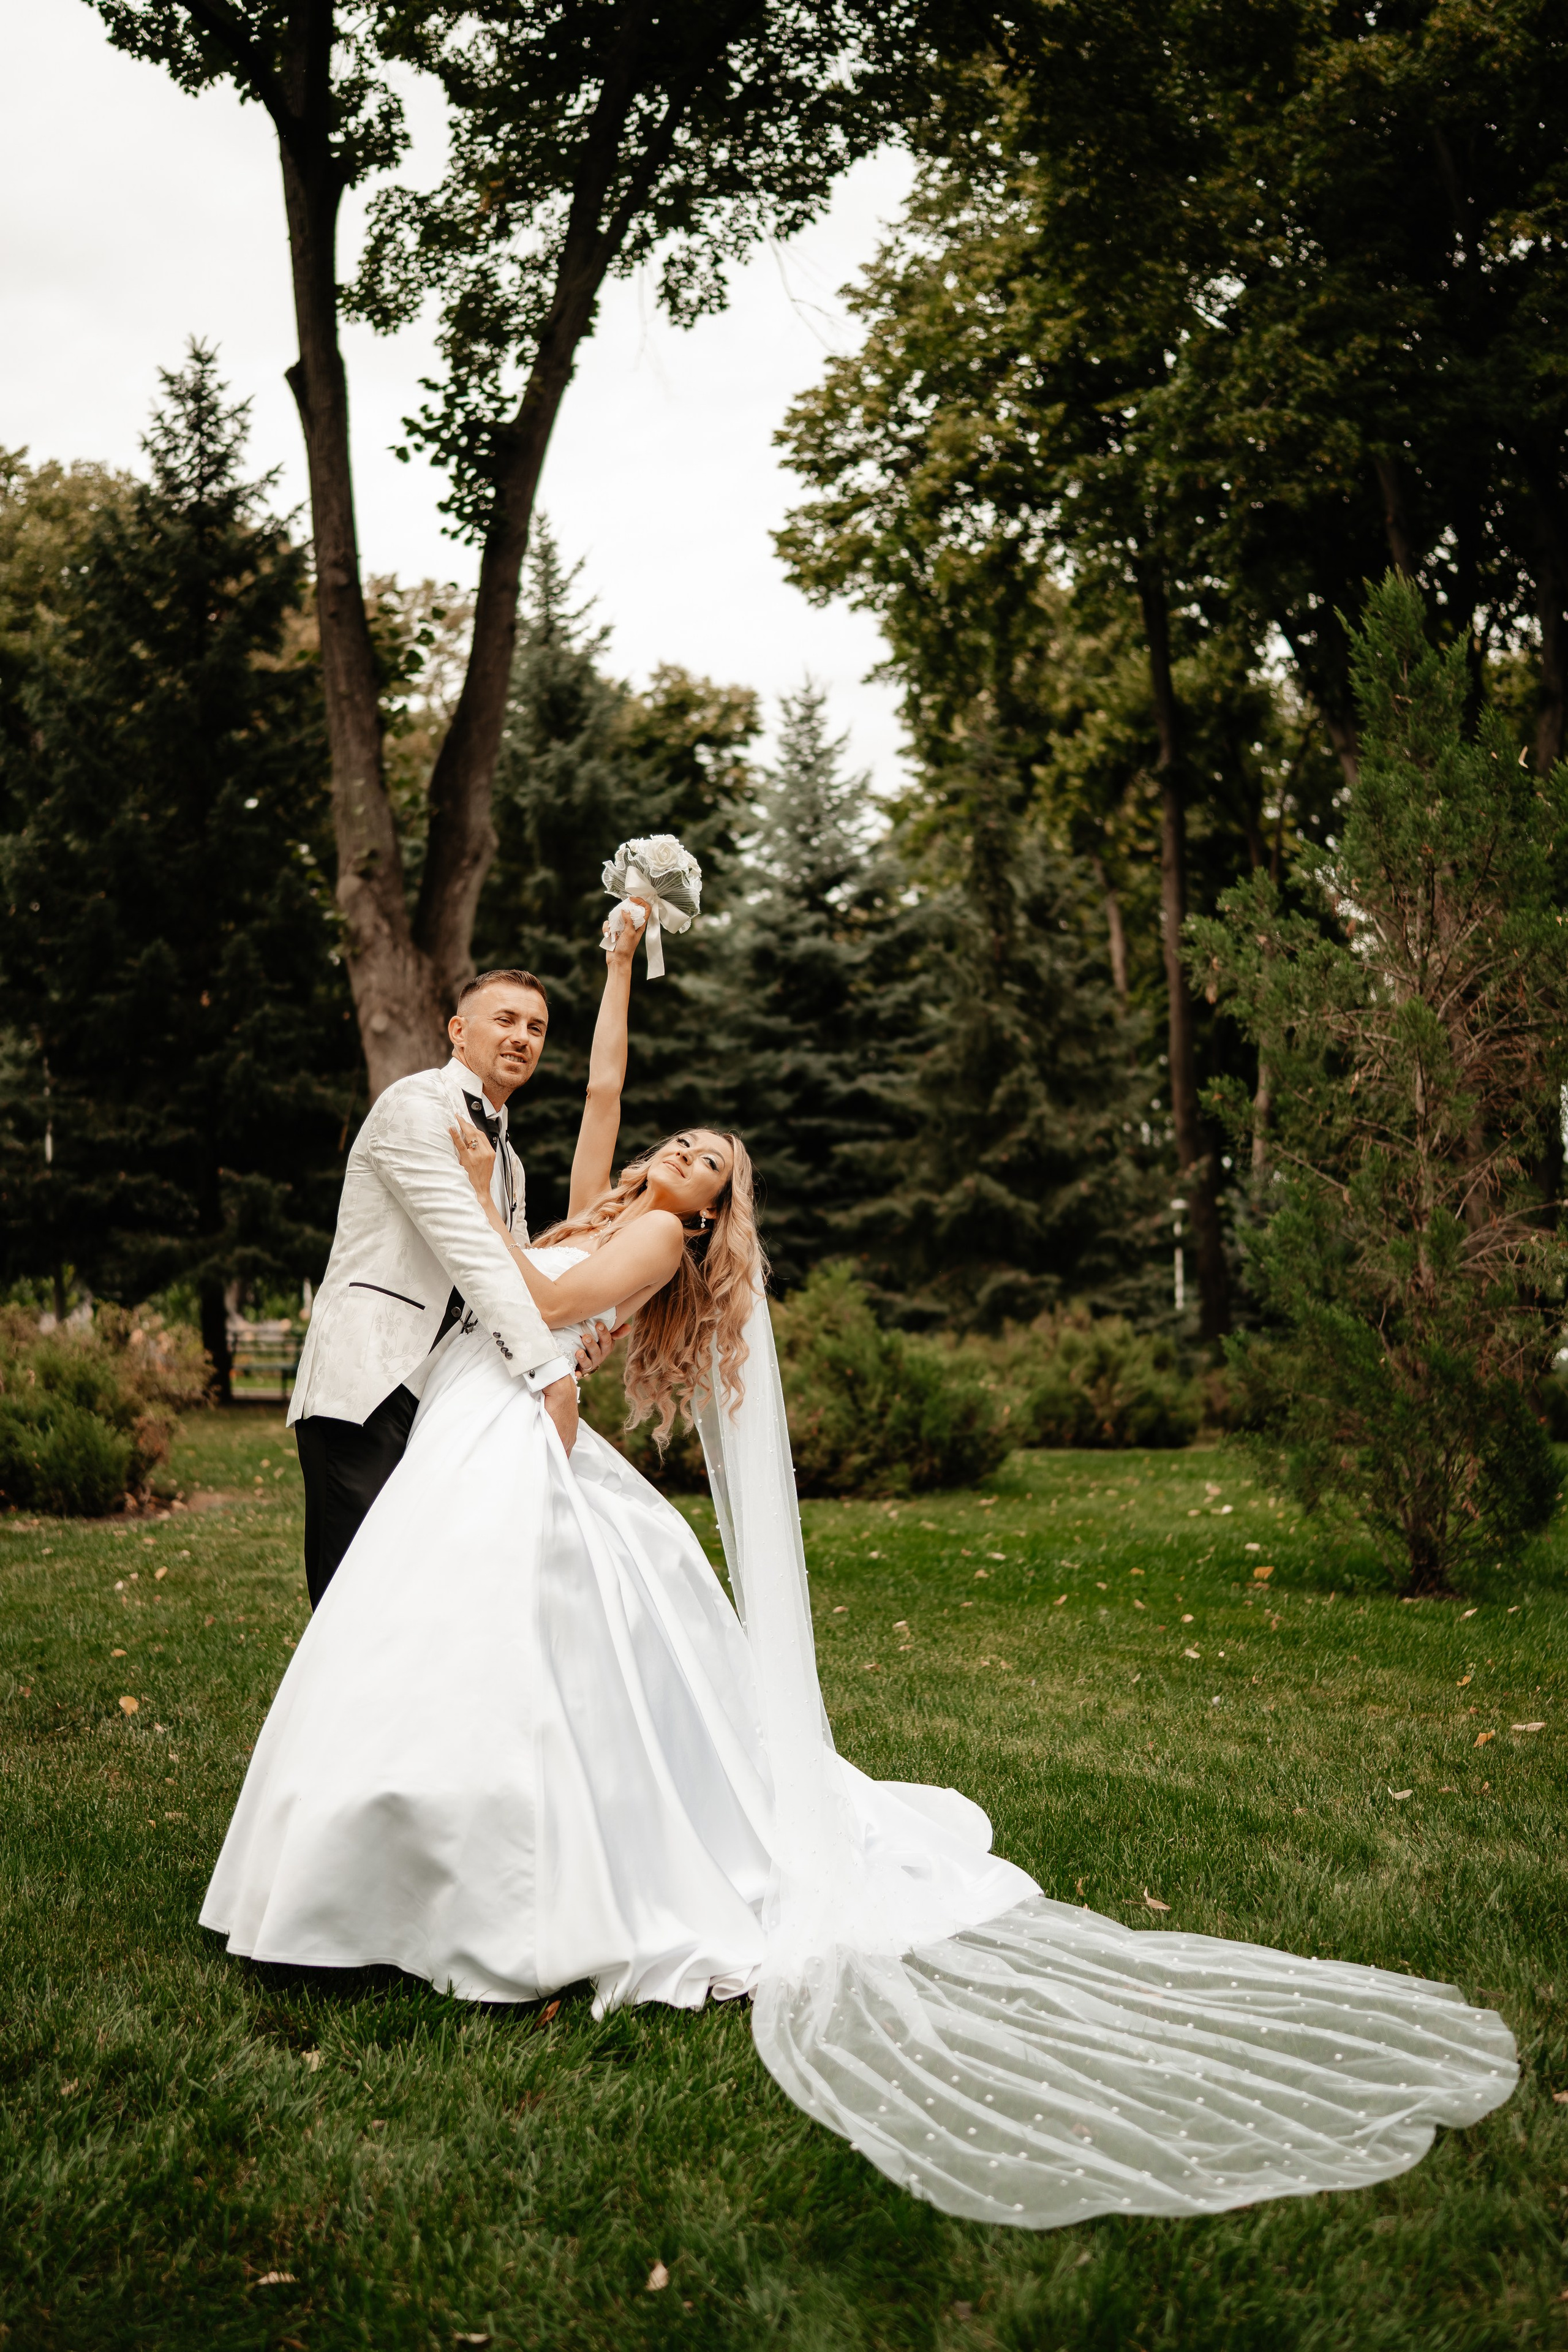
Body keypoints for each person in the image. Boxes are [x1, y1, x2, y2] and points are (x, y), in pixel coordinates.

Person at [203, 908, 1517, 2233]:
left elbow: (541, 1304)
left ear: (715, 1211)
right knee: (419, 1646)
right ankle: (375, 1872)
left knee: (500, 1665)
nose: (680, 1153)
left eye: (706, 1163)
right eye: (680, 1142)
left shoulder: (652, 1242)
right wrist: (614, 971)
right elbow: (600, 1100)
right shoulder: (589, 1184)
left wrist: (517, 1274)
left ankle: (464, 1893)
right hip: (474, 1418)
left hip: (512, 1416)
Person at [287, 967, 610, 1608]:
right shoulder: (413, 1108)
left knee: (420, 1594)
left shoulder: (506, 1159)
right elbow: (471, 1253)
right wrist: (551, 1375)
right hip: (368, 1386)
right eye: (506, 1020)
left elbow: (519, 1273)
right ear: (458, 1032)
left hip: (449, 1398)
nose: (522, 1037)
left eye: (536, 1028)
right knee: (354, 1598)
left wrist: (570, 1343)